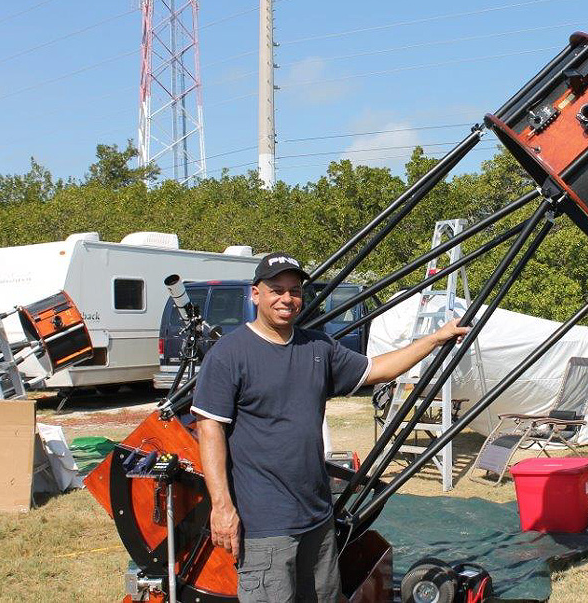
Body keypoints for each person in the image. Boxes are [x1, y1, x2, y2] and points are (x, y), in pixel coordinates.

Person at [191, 252, 469, 602]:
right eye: (276, 289)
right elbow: (210, 428)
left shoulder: (317, 347)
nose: (286, 299)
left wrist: (435, 339)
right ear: (255, 294)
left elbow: (377, 369)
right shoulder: (230, 354)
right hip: (266, 526)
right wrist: (222, 507)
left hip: (317, 518)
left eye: (294, 291)